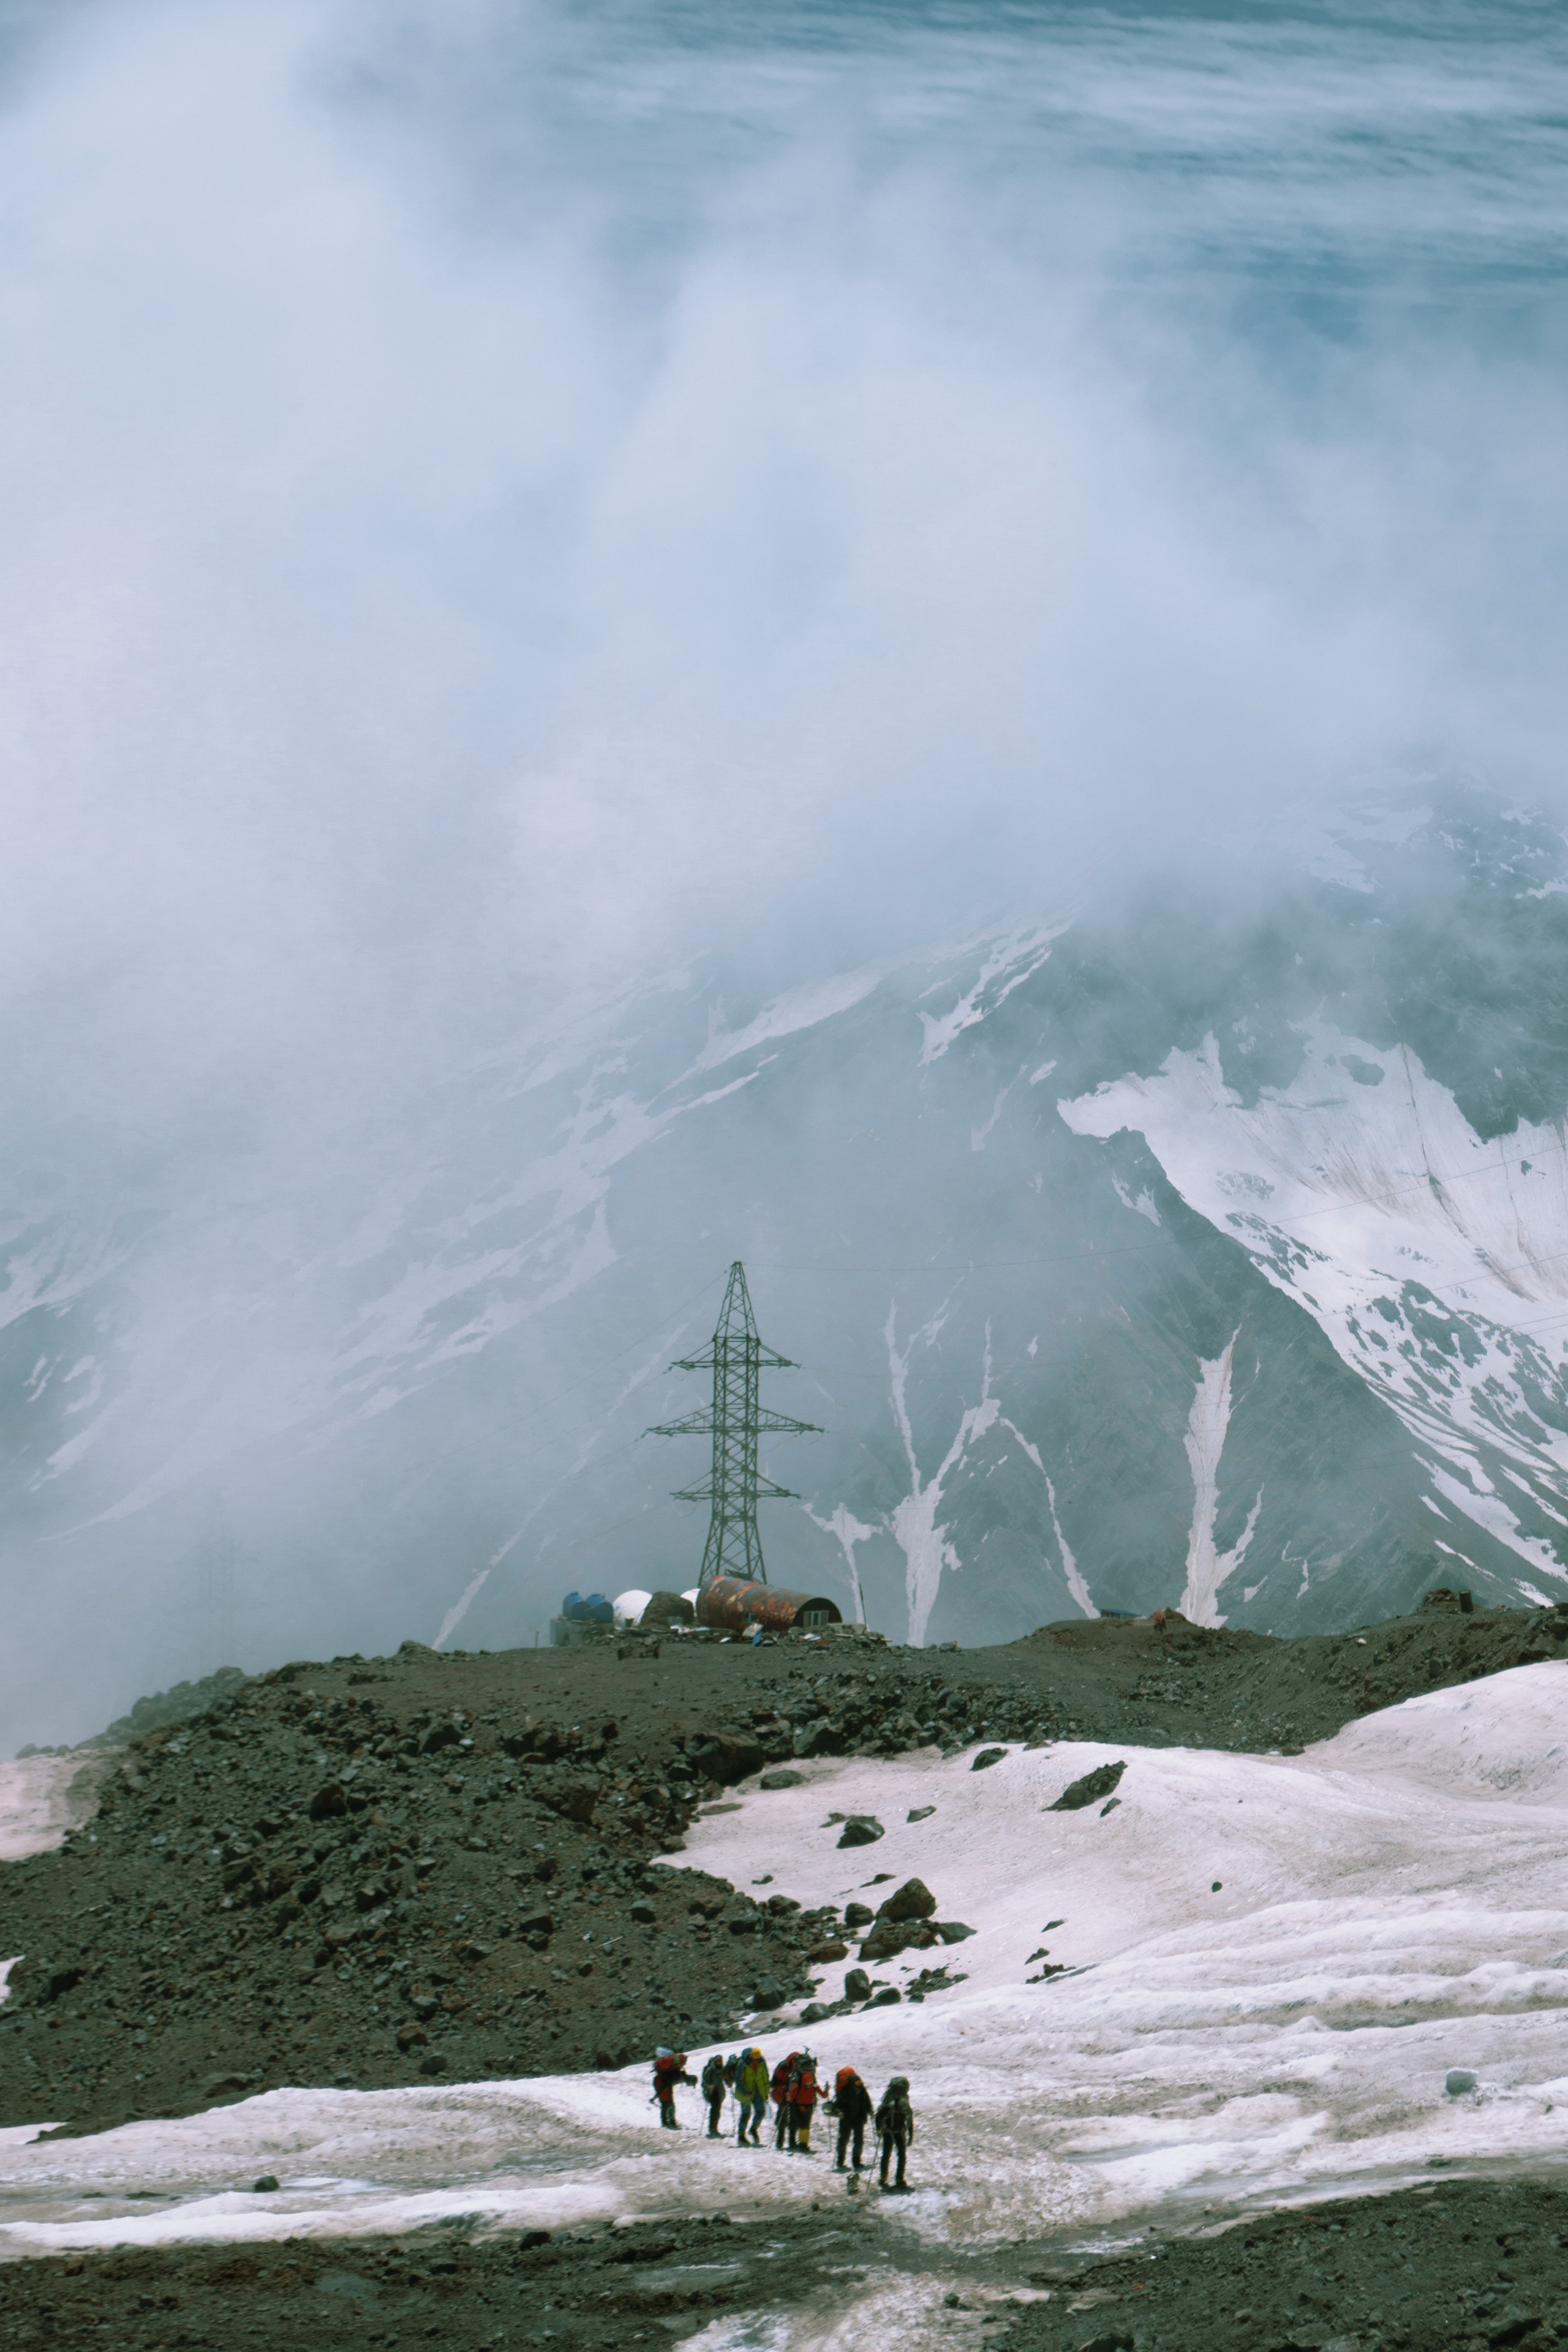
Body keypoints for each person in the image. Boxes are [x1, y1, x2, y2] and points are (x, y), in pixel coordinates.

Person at [827, 2065, 873, 2171]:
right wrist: (839, 2112)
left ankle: (856, 2162)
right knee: (844, 2140)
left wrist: (870, 2110)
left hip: (858, 2118)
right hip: (847, 2118)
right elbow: (837, 2105)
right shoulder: (845, 2091)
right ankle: (841, 2161)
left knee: (858, 2141)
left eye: (859, 2083)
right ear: (853, 2082)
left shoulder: (861, 2089)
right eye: (857, 2083)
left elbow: (867, 2101)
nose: (859, 2084)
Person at [876, 2074, 914, 2190]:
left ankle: (888, 2178)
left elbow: (879, 2117)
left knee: (891, 2155)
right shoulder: (892, 2106)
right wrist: (879, 2129)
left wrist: (878, 2128)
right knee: (897, 2155)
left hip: (892, 2131)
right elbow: (879, 2116)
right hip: (893, 2132)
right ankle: (895, 2178)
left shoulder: (899, 2106)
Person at [652, 2046, 696, 2129]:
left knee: (668, 2103)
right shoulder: (667, 2062)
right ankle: (667, 2122)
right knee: (666, 2103)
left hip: (663, 2084)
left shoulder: (668, 2063)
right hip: (662, 2084)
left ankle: (669, 2121)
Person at [735, 2046, 770, 2145]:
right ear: (751, 2056)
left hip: (758, 2091)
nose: (756, 2060)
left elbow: (766, 2077)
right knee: (746, 2114)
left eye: (757, 2059)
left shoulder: (762, 2062)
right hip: (746, 2093)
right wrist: (745, 2092)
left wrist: (766, 2092)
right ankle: (741, 2136)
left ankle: (754, 2129)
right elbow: (738, 2080)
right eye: (754, 2059)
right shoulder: (743, 2063)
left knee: (761, 2112)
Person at [790, 2051, 819, 2152]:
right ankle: (804, 2144)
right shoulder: (812, 2079)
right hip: (809, 2104)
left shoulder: (799, 2078)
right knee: (806, 2125)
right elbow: (821, 2092)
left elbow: (794, 2091)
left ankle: (799, 2143)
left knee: (801, 2125)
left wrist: (789, 2098)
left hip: (799, 2104)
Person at [772, 2051, 800, 2149]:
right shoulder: (782, 2067)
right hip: (783, 2095)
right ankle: (780, 2142)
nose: (796, 2064)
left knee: (793, 2117)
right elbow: (774, 2083)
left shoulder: (798, 2067)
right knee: (782, 2118)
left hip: (793, 2095)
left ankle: (791, 2142)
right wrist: (785, 2091)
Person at [700, 2052, 728, 2138]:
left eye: (720, 2061)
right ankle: (712, 2128)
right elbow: (704, 2082)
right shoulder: (710, 2069)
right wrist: (708, 2087)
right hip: (712, 2093)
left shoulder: (722, 2069)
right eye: (717, 2061)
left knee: (717, 2110)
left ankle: (715, 2128)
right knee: (715, 2110)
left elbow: (725, 2079)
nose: (718, 2062)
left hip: (719, 2092)